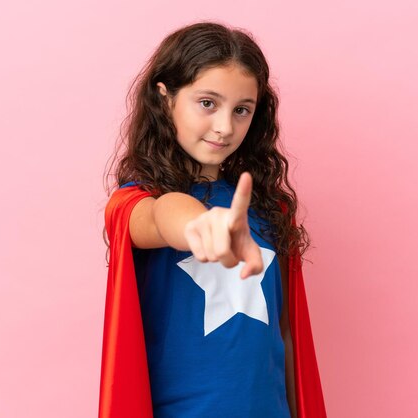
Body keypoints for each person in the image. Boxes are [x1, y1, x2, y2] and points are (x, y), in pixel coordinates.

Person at [99, 21, 326, 418]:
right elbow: (162, 214)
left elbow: (285, 337)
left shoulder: (271, 209)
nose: (225, 127)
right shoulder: (132, 205)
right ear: (165, 97)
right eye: (208, 103)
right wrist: (201, 225)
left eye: (242, 110)